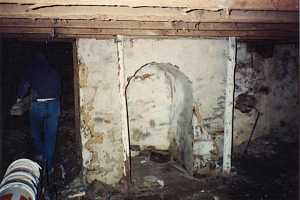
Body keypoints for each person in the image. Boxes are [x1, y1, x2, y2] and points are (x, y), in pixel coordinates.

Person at [16, 52, 61, 174]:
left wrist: (19, 98)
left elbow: (24, 86)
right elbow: (58, 89)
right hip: (54, 105)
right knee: (50, 137)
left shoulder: (31, 70)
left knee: (35, 132)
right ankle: (49, 166)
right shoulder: (53, 71)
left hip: (38, 105)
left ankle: (40, 156)